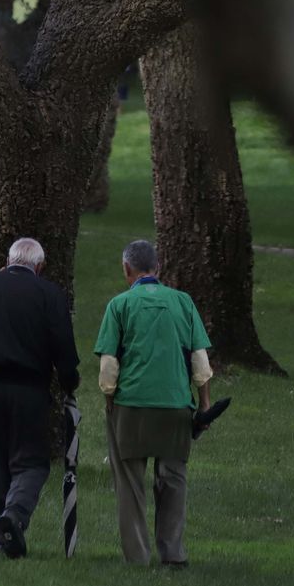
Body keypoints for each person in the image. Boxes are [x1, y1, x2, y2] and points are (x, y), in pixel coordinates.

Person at [94, 240, 216, 567]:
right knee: (173, 478)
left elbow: (108, 365)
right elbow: (200, 362)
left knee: (130, 484)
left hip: (131, 405)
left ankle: (137, 556)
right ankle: (173, 553)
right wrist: (204, 405)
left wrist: (110, 401)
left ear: (126, 269)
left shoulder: (119, 305)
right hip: (176, 405)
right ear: (158, 268)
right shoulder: (183, 302)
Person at [0, 237, 80, 559]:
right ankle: (15, 514)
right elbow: (63, 346)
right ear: (39, 267)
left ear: (8, 260)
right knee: (32, 462)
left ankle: (2, 538)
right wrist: (70, 382)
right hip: (28, 386)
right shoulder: (49, 294)